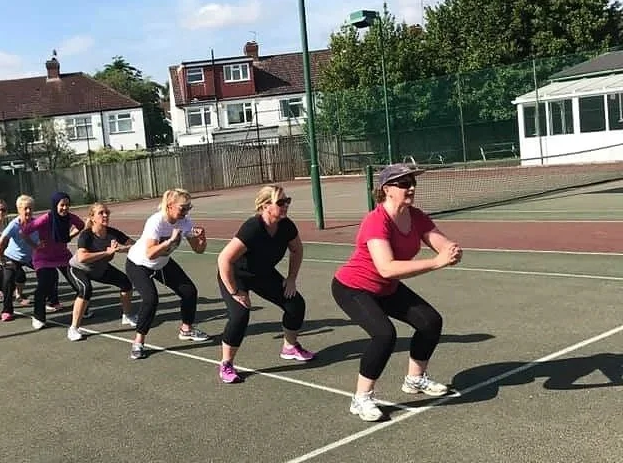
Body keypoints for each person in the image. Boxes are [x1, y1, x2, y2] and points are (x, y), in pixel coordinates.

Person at [331, 163, 462, 422]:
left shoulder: (416, 216)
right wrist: (437, 262)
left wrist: (451, 250)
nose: (411, 187)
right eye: (403, 183)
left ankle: (414, 380)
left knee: (430, 322)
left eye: (412, 181)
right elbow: (387, 268)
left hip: (385, 288)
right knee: (384, 334)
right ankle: (361, 399)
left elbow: (441, 243)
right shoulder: (375, 221)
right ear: (387, 189)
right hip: (353, 288)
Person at [216, 185, 315, 384]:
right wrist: (235, 291)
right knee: (240, 315)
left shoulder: (286, 226)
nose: (286, 205)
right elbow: (224, 259)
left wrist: (291, 278)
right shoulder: (253, 228)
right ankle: (226, 363)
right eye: (280, 202)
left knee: (295, 304)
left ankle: (289, 346)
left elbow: (297, 250)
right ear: (265, 206)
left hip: (263, 274)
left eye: (288, 201)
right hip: (237, 275)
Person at [124, 188, 209, 360]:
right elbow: (150, 254)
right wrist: (170, 241)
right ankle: (138, 342)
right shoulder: (156, 221)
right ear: (170, 206)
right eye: (183, 208)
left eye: (189, 207)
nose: (186, 211)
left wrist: (202, 238)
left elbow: (198, 250)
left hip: (162, 263)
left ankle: (186, 329)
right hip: (139, 264)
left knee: (189, 291)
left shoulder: (185, 222)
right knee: (151, 299)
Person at [66, 203, 138, 342]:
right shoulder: (86, 235)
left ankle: (127, 315)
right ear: (92, 217)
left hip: (99, 269)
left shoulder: (112, 233)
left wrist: (122, 249)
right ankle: (73, 328)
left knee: (126, 283)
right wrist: (106, 252)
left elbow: (135, 245)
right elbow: (82, 257)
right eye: (101, 213)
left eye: (107, 213)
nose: (105, 215)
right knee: (85, 289)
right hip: (78, 268)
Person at [21, 191, 85, 331]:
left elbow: (81, 226)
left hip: (63, 256)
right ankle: (38, 317)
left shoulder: (70, 218)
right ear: (55, 205)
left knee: (80, 283)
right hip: (43, 258)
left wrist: (69, 236)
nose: (65, 208)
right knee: (44, 286)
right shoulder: (45, 219)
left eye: (67, 205)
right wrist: (35, 246)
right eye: (62, 205)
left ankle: (82, 310)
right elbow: (24, 232)